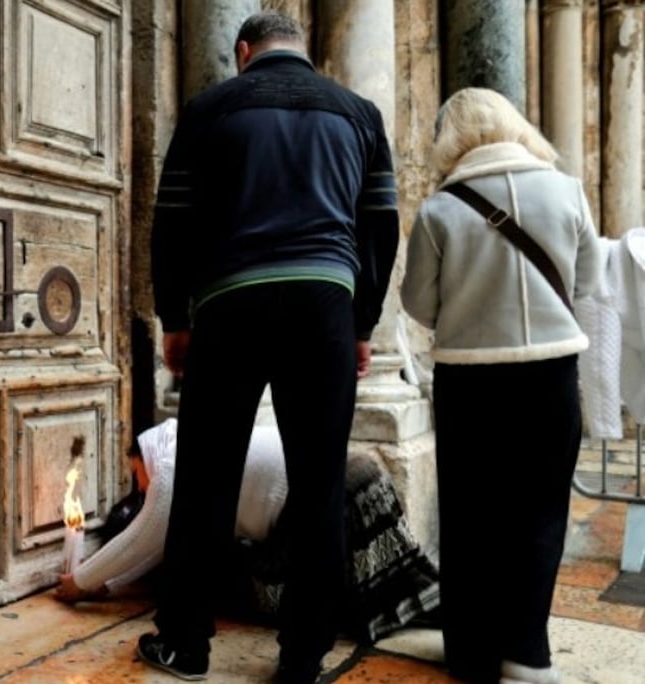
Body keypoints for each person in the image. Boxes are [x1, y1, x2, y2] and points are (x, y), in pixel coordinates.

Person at [140, 12, 400, 683]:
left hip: (232, 301)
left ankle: (186, 645)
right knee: (319, 483)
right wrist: (363, 323)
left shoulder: (210, 108)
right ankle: (302, 657)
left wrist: (176, 316)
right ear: (303, 51)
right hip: (324, 303)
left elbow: (173, 221)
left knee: (206, 477)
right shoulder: (360, 112)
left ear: (244, 50)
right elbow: (381, 227)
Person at [401, 87, 599, 684]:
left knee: (470, 517)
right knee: (540, 512)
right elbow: (586, 281)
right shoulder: (565, 191)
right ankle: (528, 653)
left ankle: (471, 651)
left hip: (470, 381)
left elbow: (419, 305)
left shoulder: (440, 208)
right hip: (550, 374)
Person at [55, 419, 441, 647]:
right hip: (359, 474)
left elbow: (146, 535)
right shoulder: (194, 436)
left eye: (136, 474)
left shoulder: (172, 465)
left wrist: (82, 581)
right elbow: (167, 537)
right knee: (407, 586)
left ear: (144, 454)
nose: (139, 487)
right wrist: (110, 584)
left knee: (256, 590)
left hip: (332, 501)